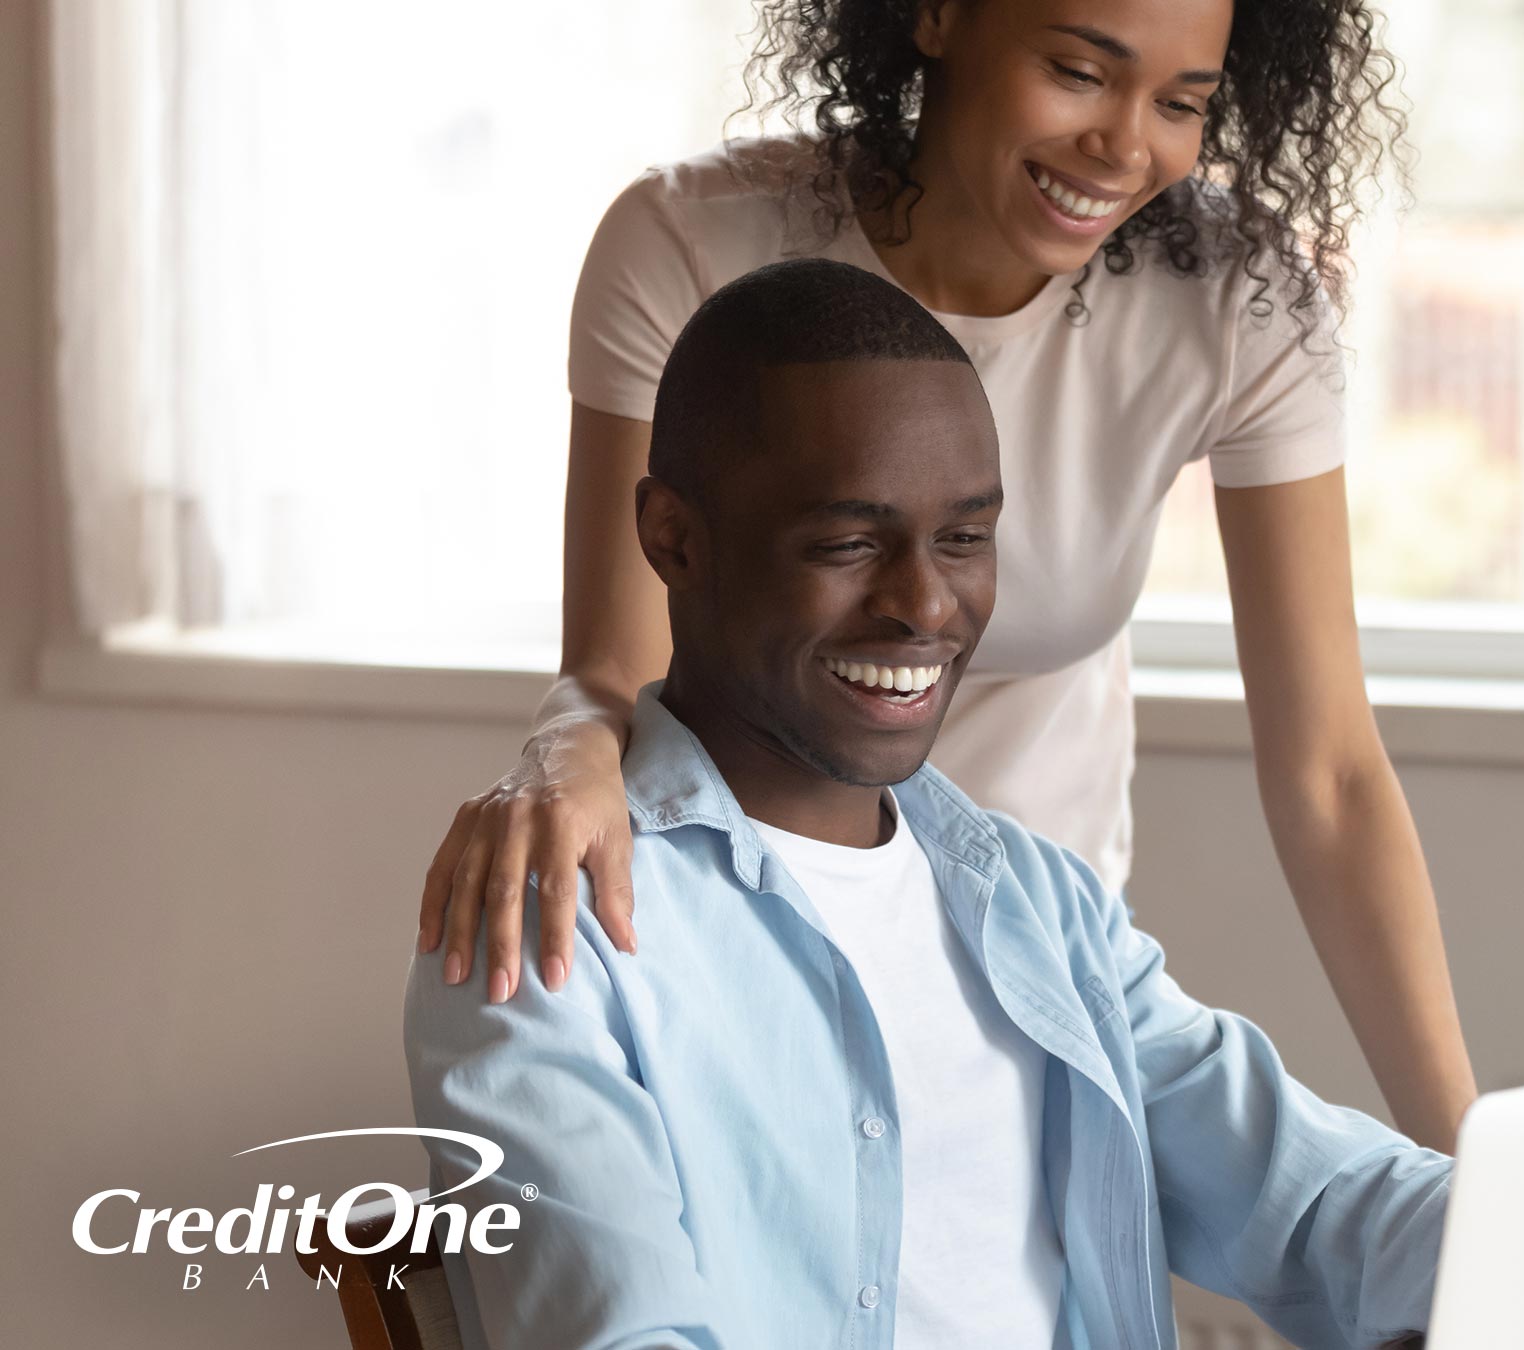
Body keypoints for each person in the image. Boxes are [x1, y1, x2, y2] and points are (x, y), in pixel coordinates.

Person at [412, 0, 1481, 1153]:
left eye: (1183, 103)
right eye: (1079, 71)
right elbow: (622, 668)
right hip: (729, 954)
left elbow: (1329, 776)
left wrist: (1476, 1166)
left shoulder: (1235, 301)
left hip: (1034, 971)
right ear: (938, 14)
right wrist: (559, 748)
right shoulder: (692, 242)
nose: (1126, 146)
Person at [404, 258, 1451, 1350]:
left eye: (964, 538)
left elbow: (1322, 1200)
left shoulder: (1041, 906)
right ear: (674, 538)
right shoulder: (548, 932)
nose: (925, 605)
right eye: (848, 544)